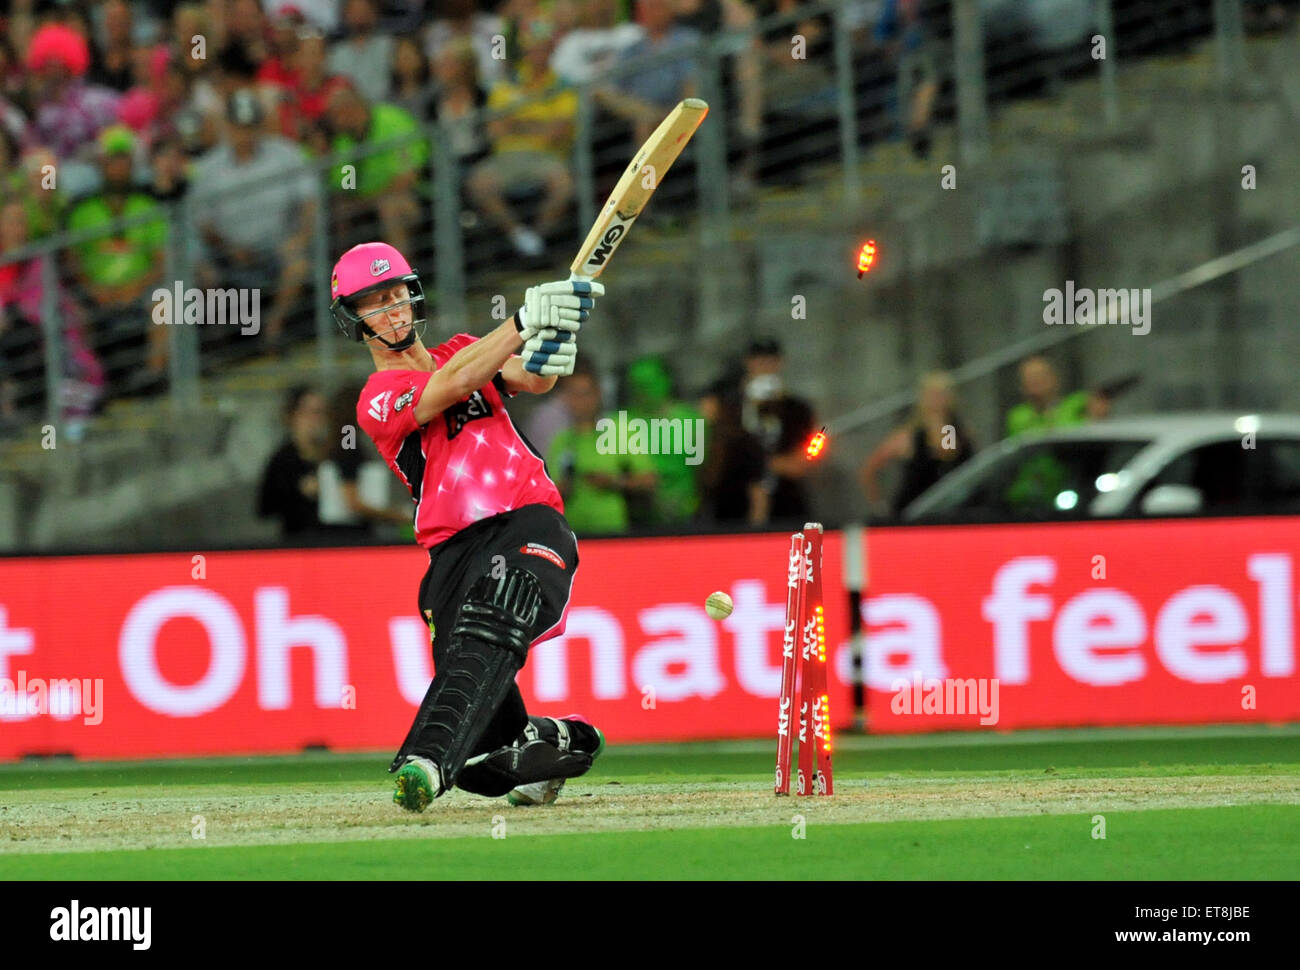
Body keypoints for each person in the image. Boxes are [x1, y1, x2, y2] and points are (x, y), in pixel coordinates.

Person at [334, 240, 607, 811]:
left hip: (527, 520)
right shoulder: (377, 398)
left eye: (397, 294)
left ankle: (425, 763)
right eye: (374, 302)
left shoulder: (463, 350)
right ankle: (562, 739)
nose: (392, 310)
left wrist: (554, 338)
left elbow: (530, 380)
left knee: (495, 614)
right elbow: (451, 384)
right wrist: (524, 320)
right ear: (353, 319)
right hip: (452, 555)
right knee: (489, 751)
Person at [546, 359, 657, 534]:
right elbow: (548, 491)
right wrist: (564, 488)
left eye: (585, 394)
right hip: (572, 531)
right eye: (573, 394)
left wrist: (614, 481)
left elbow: (650, 480)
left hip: (613, 529)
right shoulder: (562, 440)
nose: (580, 402)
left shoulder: (621, 430)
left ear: (598, 394)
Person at [860, 371, 975, 518]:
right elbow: (870, 469)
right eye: (933, 395)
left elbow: (950, 457)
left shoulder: (958, 432)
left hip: (954, 513)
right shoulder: (909, 435)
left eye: (942, 394)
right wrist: (880, 507)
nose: (937, 401)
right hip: (915, 514)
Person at [741, 337, 816, 525]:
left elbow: (802, 460)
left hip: (786, 506)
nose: (764, 366)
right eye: (759, 360)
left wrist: (761, 464)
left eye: (770, 360)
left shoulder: (797, 409)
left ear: (780, 363)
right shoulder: (730, 407)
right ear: (748, 363)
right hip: (737, 508)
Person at [257, 384, 331, 537]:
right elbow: (265, 507)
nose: (315, 420)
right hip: (298, 542)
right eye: (309, 413)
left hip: (335, 541)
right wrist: (298, 491)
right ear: (292, 416)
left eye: (320, 413)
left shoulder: (332, 454)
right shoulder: (282, 460)